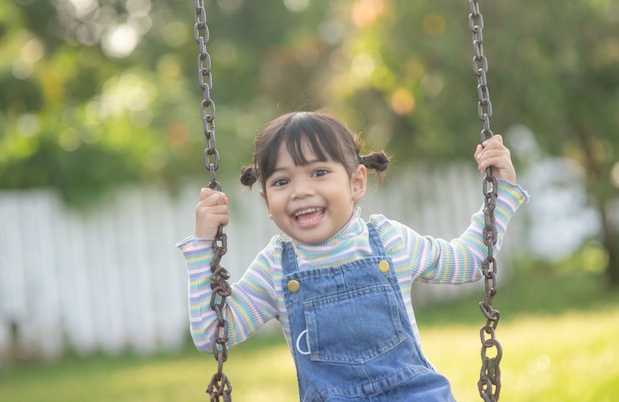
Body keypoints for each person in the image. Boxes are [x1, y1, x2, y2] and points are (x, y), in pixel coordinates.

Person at [177, 111, 529, 402]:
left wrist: (503, 196)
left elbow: (470, 260)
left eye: (319, 172)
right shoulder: (274, 267)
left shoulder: (390, 241)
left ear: (357, 182)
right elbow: (214, 334)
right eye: (281, 182)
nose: (301, 191)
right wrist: (203, 247)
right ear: (267, 201)